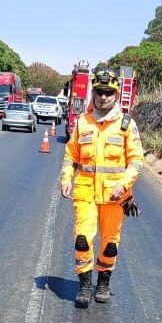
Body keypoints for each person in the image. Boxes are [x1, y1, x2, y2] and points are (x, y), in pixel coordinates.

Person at [60, 68, 145, 308]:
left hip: (115, 196)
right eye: (99, 92)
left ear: (116, 94)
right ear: (93, 93)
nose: (104, 97)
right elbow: (70, 155)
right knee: (82, 239)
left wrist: (124, 184)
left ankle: (103, 283)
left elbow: (137, 160)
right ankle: (85, 284)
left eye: (109, 92)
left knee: (109, 242)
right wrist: (66, 179)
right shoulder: (82, 123)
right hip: (85, 192)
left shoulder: (127, 124)